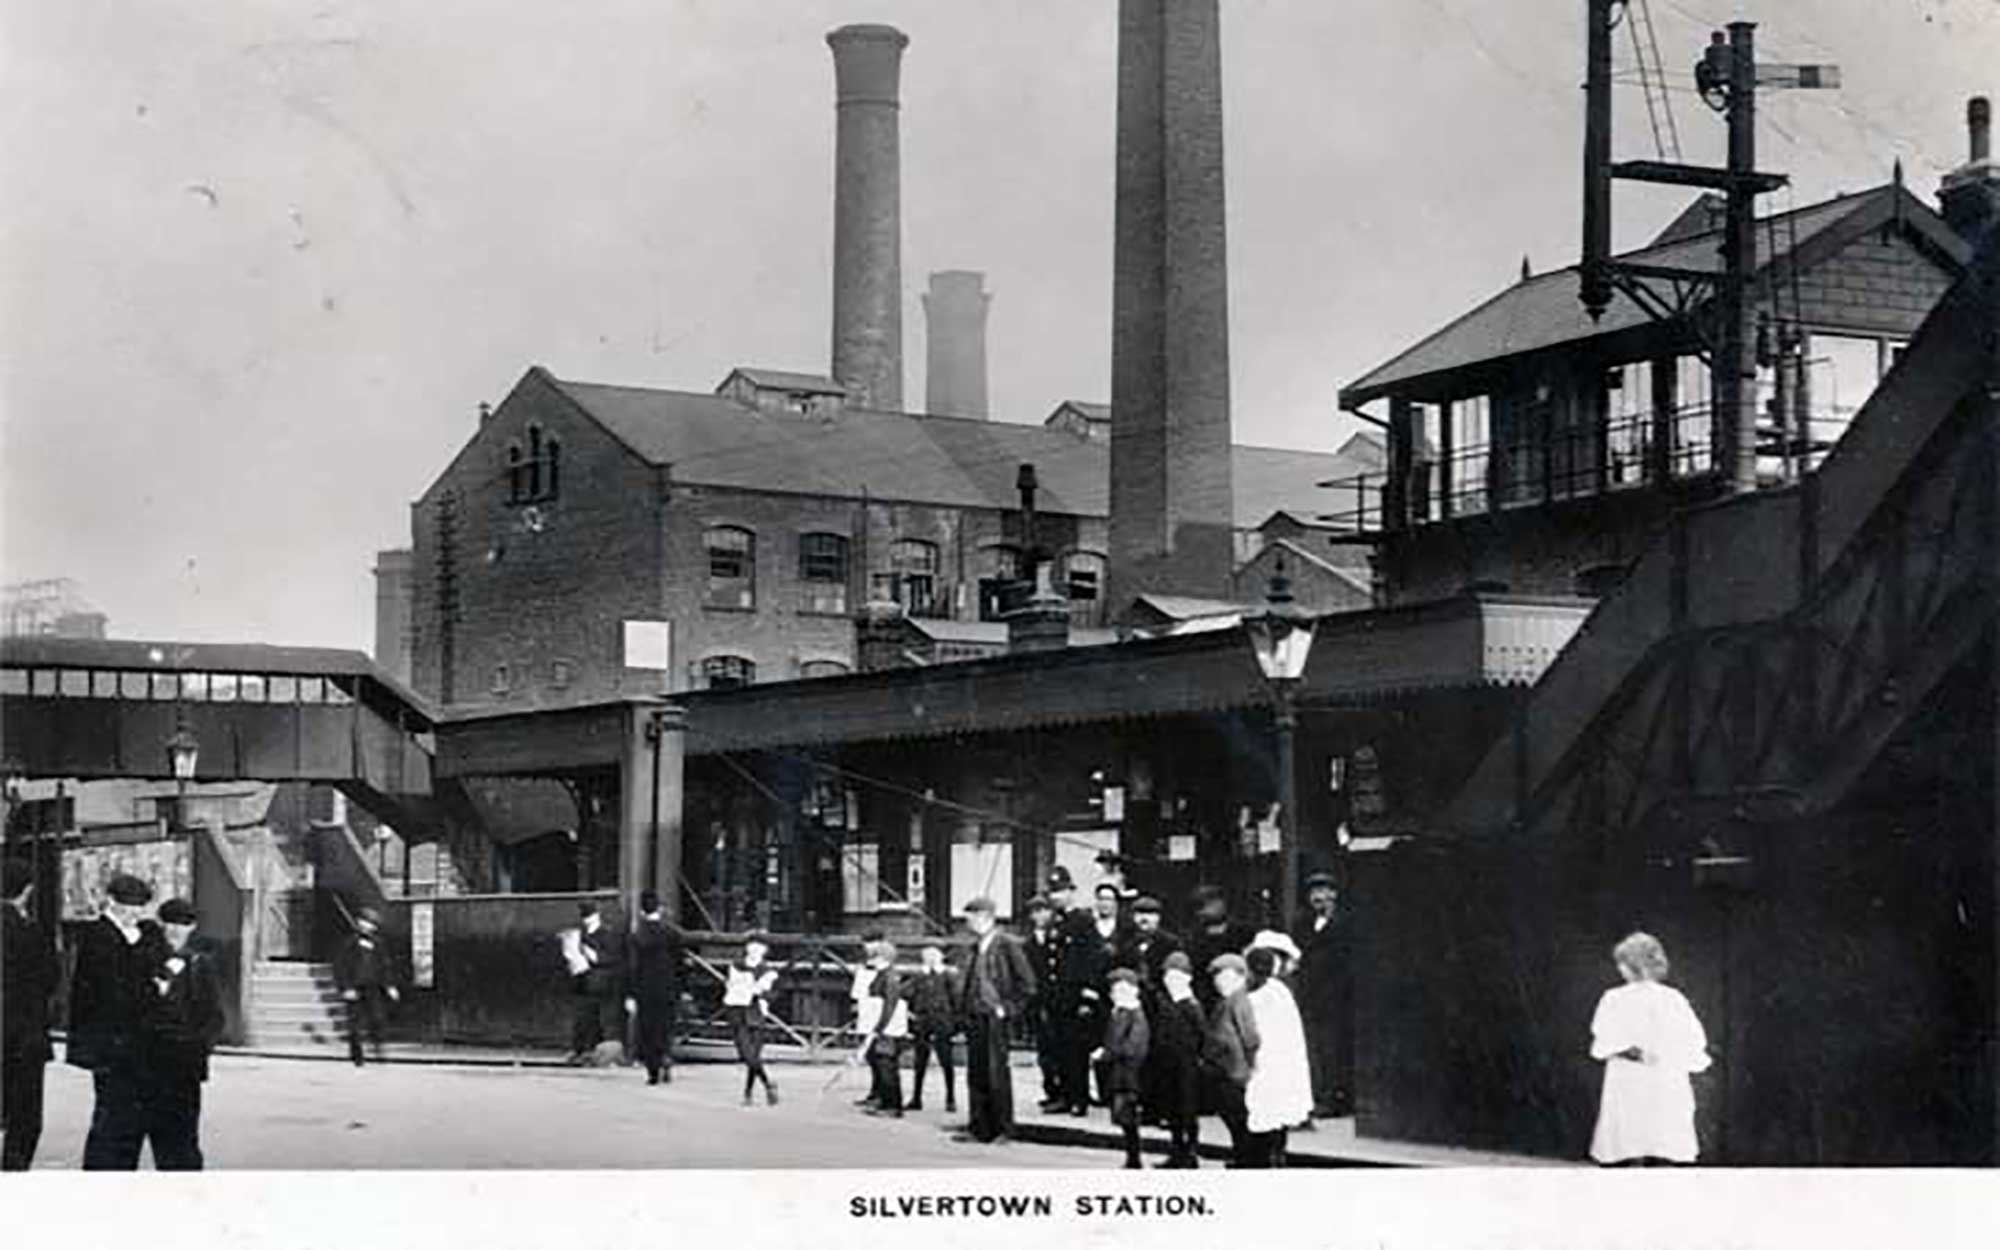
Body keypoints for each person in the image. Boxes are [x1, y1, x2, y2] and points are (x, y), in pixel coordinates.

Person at [67, 872, 171, 1170]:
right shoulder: (98, 936)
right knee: (112, 1115)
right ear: (111, 901)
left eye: (140, 906)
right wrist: (152, 987)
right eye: (129, 905)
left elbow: (166, 964)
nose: (135, 912)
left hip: (138, 1043)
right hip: (110, 1045)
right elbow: (111, 989)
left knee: (130, 1117)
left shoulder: (145, 933)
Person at [1588, 931, 1711, 1166]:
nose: (1620, 969)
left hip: (1642, 1081)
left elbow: (1604, 1039)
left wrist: (1646, 1052)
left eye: (1622, 964)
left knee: (1637, 1135)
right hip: (1652, 1080)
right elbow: (1694, 1042)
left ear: (1632, 965)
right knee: (1652, 1138)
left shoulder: (1616, 999)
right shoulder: (1672, 999)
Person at [140, 898, 226, 1170]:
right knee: (157, 1137)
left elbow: (214, 1015)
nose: (177, 931)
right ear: (162, 925)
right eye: (171, 925)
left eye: (184, 925)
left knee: (184, 1139)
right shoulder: (146, 959)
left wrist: (201, 1047)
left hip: (185, 1064)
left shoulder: (201, 963)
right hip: (150, 1061)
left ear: (193, 928)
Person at [955, 896, 1034, 1144]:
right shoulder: (974, 947)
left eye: (971, 918)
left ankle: (1003, 1128)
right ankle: (979, 1127)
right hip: (975, 1016)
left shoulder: (1007, 945)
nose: (969, 924)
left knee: (996, 1072)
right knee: (976, 1072)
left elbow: (1028, 985)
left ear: (985, 917)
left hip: (995, 1018)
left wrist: (1008, 1010)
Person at [2, 857, 56, 1171]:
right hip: (24, 1037)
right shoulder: (30, 932)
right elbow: (49, 980)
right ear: (27, 890)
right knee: (24, 1117)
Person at [1291, 871, 1354, 1117]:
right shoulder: (1302, 923)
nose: (1318, 897)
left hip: (1338, 995)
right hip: (1311, 993)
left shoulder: (1346, 922)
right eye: (1313, 892)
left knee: (1335, 1047)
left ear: (1334, 895)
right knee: (1316, 1047)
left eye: (1323, 891)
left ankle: (1338, 1098)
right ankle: (1321, 1095)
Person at [1243, 945, 1312, 1167]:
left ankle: (1269, 1158)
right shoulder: (1279, 991)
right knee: (1273, 1111)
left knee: (1267, 1110)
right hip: (1278, 1062)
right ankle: (1275, 1155)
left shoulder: (1264, 996)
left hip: (1270, 1062)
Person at [1125, 895, 1182, 1124]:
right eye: (1139, 914)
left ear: (1158, 918)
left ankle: (1163, 1109)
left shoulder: (1171, 943)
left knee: (1162, 1057)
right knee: (1140, 1058)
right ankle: (1146, 1108)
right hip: (1137, 1007)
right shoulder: (1127, 944)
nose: (1144, 919)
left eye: (1149, 914)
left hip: (1161, 1008)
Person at [1201, 951, 1260, 1168]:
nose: (1219, 982)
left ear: (1241, 977)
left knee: (1238, 1118)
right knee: (1232, 1117)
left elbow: (1250, 1036)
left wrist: (1250, 1064)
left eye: (1225, 977)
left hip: (1234, 1071)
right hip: (1224, 1069)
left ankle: (1245, 1159)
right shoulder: (1226, 1001)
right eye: (1216, 978)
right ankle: (1241, 1156)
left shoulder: (1239, 1001)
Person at [1150, 951, 1208, 1168]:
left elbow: (1203, 1035)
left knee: (1187, 1108)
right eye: (1168, 976)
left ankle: (1190, 1151)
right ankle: (1176, 1150)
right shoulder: (1164, 1002)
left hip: (1187, 1064)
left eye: (1176, 977)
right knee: (1172, 1107)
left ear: (1187, 978)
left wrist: (1199, 1057)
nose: (1171, 981)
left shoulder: (1191, 1005)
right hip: (1168, 1062)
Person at [1091, 967, 1151, 1169]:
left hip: (1130, 1075)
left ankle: (1134, 1158)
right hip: (1119, 1073)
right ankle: (1132, 1157)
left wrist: (1107, 1053)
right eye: (1115, 991)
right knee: (1123, 1118)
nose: (1116, 995)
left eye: (1122, 991)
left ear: (1134, 991)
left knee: (1128, 1118)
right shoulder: (1118, 1013)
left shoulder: (1136, 1015)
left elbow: (1134, 1046)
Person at [624, 890, 685, 1086]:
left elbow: (632, 967)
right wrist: (680, 987)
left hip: (645, 989)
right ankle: (666, 1055)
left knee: (648, 1029)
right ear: (659, 908)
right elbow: (680, 964)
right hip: (668, 988)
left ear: (642, 912)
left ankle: (653, 1070)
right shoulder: (672, 933)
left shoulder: (637, 936)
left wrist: (631, 993)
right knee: (665, 1027)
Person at [335, 906, 400, 1067]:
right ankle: (357, 1055)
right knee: (355, 1023)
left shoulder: (379, 944)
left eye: (369, 923)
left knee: (377, 1019)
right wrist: (345, 988)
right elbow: (340, 967)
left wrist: (390, 986)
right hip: (354, 987)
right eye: (362, 921)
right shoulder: (349, 943)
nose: (365, 925)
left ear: (374, 926)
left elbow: (385, 966)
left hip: (373, 987)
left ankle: (379, 1049)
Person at [722, 932, 780, 1106]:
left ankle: (748, 1093)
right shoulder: (736, 965)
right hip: (737, 1011)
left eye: (760, 946)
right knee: (746, 1054)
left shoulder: (768, 971)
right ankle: (768, 1083)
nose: (755, 949)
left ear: (765, 950)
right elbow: (729, 985)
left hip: (756, 1012)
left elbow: (774, 994)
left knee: (754, 1055)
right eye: (752, 944)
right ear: (746, 947)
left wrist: (762, 992)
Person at [905, 942, 961, 1113]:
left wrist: (955, 1026)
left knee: (946, 1062)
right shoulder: (919, 976)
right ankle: (916, 1098)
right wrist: (910, 1015)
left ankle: (950, 1098)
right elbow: (906, 994)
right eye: (926, 958)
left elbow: (957, 1001)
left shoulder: (948, 976)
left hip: (942, 1023)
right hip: (922, 1022)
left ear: (940, 959)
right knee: (919, 1062)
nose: (929, 961)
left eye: (933, 958)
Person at [856, 938, 909, 1117]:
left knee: (887, 1065)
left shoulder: (889, 975)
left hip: (887, 1028)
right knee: (882, 1063)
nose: (870, 959)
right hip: (882, 1025)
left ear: (882, 957)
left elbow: (890, 1004)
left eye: (874, 956)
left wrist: (879, 1027)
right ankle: (886, 1101)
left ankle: (893, 1106)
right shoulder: (883, 974)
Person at [1021, 894, 1064, 1112]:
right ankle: (1051, 1091)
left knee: (1060, 1048)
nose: (1039, 916)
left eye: (1043, 910)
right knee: (1044, 1051)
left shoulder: (1058, 937)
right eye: (1034, 912)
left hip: (1058, 1002)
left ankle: (1063, 1092)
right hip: (1039, 1003)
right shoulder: (1029, 943)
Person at [560, 903, 617, 1064]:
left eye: (589, 915)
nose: (587, 920)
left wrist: (593, 955)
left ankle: (592, 1049)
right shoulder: (580, 934)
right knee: (580, 1015)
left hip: (597, 980)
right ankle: (579, 1048)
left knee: (595, 1016)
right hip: (581, 979)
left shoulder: (606, 934)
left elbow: (610, 958)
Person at [1187, 885, 1256, 1011]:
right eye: (1202, 906)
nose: (1207, 910)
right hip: (1206, 998)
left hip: (1239, 995)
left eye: (1212, 903)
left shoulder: (1243, 932)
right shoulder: (1194, 937)